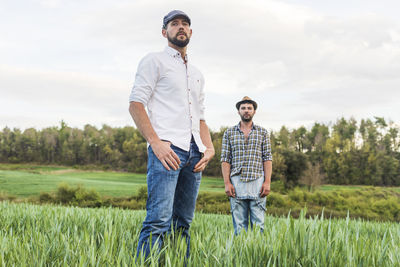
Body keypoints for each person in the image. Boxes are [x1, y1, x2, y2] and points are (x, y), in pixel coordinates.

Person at [129, 10, 215, 259]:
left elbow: (200, 118)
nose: (181, 27)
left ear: (191, 32)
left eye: (185, 24)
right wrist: (155, 143)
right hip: (168, 151)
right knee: (158, 221)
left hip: (195, 155)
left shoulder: (198, 74)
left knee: (183, 224)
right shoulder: (154, 61)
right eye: (174, 24)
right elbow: (136, 104)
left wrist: (208, 148)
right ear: (164, 32)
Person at [221, 96, 272, 235]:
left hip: (258, 181)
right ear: (238, 111)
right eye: (243, 108)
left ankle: (256, 255)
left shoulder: (262, 132)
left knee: (258, 225)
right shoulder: (229, 133)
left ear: (254, 111)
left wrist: (267, 182)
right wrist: (227, 183)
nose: (246, 111)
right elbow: (225, 159)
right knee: (239, 225)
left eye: (249, 108)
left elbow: (267, 158)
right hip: (236, 182)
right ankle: (240, 255)